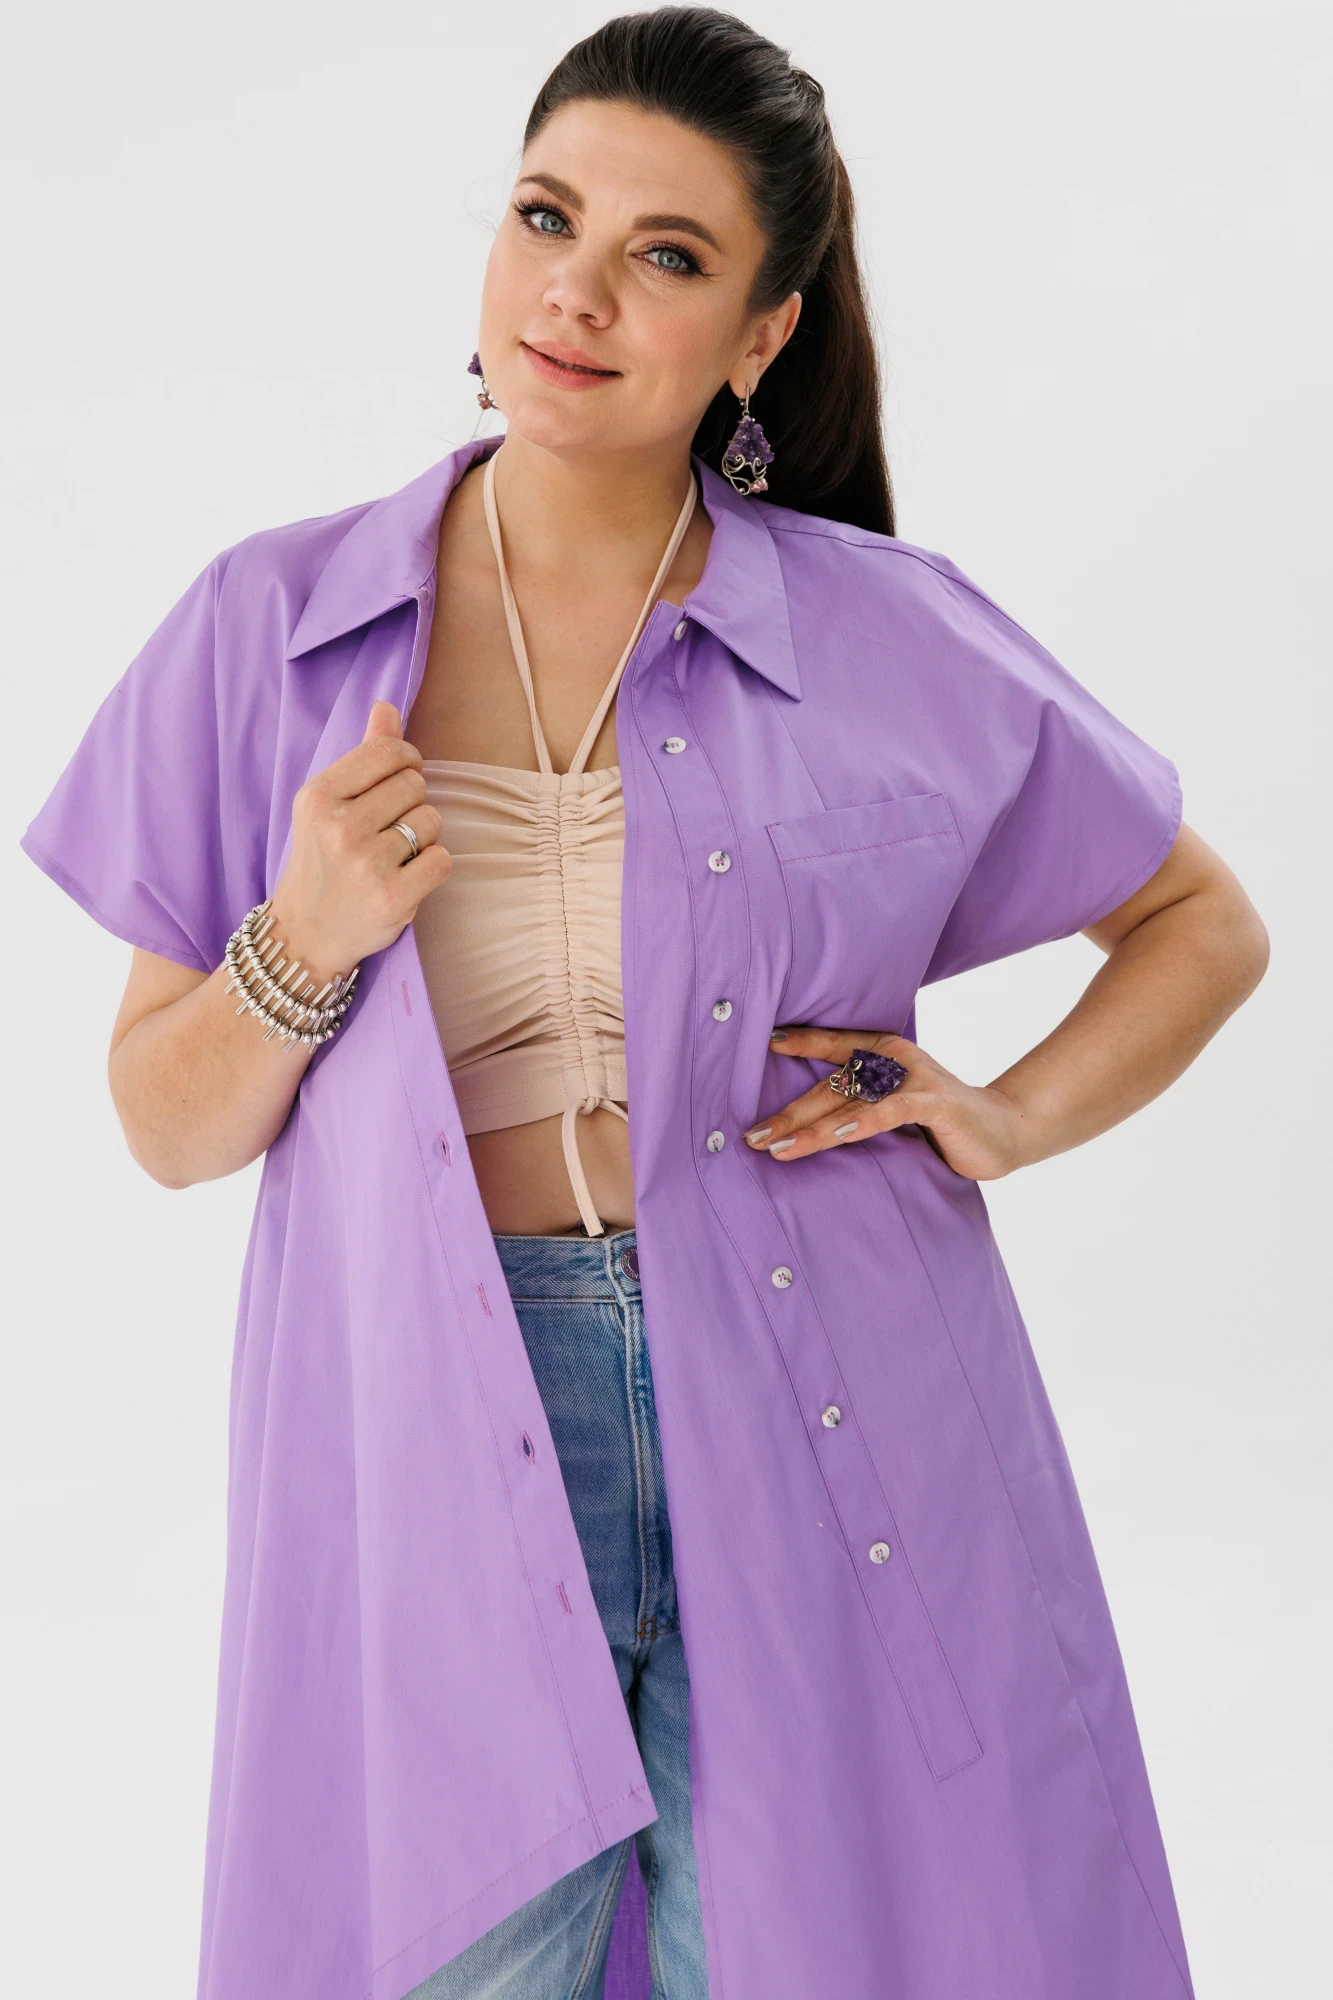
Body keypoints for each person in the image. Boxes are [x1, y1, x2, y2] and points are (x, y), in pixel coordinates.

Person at [21, 9, 1267, 1999]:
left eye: (664, 255)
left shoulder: (884, 632)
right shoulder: (272, 627)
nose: (576, 292)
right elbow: (166, 1128)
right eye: (545, 218)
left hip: (839, 1399)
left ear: (762, 334)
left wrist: (1010, 1114)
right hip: (440, 1406)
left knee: (817, 1948)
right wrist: (307, 936)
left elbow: (1200, 918)